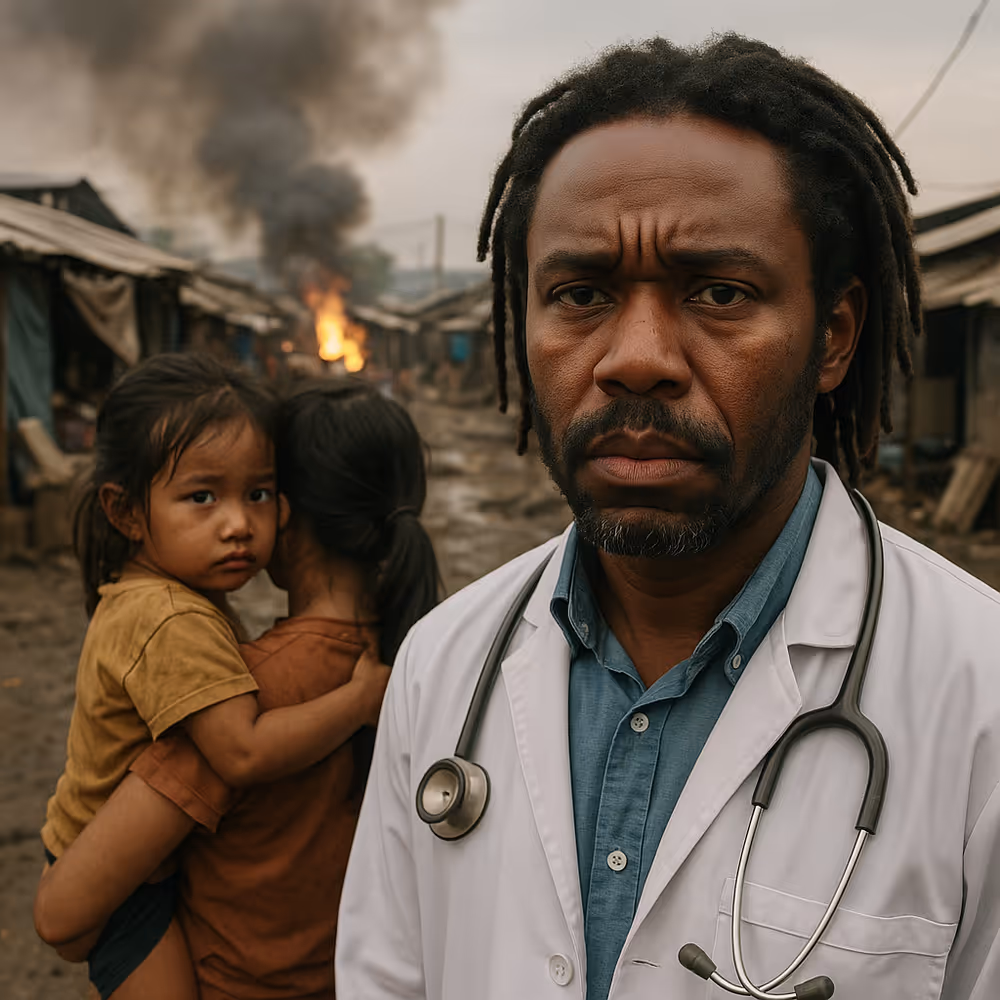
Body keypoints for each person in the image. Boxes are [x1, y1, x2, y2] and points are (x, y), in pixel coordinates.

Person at [335, 35, 1000, 1000]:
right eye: (582, 294)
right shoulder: (443, 664)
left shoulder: (980, 697)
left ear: (835, 338)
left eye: (719, 292)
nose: (637, 357)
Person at [34, 379, 441, 999]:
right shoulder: (432, 664)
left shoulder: (257, 687)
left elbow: (61, 916)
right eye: (203, 496)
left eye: (257, 493)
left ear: (286, 512)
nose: (237, 524)